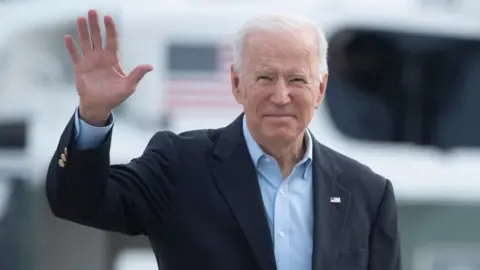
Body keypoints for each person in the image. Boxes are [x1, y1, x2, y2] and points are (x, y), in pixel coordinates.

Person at [45, 9, 402, 270]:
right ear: (236, 85)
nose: (281, 96)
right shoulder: (179, 165)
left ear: (320, 89)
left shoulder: (369, 195)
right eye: (264, 78)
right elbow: (77, 202)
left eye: (296, 80)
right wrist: (92, 115)